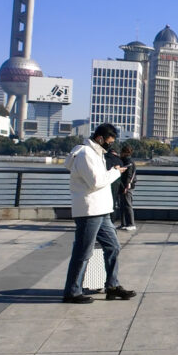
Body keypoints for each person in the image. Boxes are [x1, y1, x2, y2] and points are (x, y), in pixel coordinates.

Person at [62, 123, 137, 304]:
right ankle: (72, 291)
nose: (110, 146)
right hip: (89, 210)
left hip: (102, 210)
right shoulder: (85, 154)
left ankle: (112, 286)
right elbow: (95, 182)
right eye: (109, 142)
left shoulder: (96, 153)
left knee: (113, 246)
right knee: (83, 251)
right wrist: (115, 172)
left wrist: (111, 172)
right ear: (100, 138)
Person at [117, 145, 137, 231]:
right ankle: (124, 223)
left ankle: (130, 223)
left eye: (121, 152)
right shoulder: (127, 161)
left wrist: (127, 185)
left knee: (127, 205)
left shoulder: (128, 162)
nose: (120, 153)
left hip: (126, 186)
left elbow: (129, 175)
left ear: (125, 152)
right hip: (124, 185)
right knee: (123, 205)